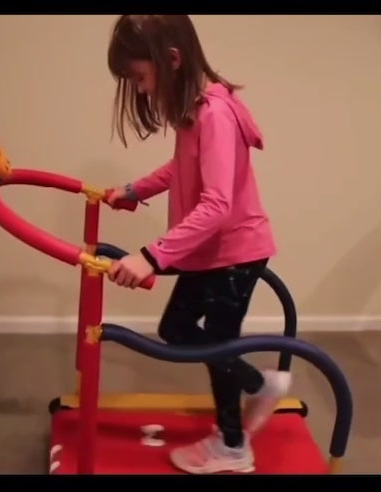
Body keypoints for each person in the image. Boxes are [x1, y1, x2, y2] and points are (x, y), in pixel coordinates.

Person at [102, 15, 292, 474]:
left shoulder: (215, 115)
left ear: (171, 60)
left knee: (218, 347)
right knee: (178, 328)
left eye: (141, 78)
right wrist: (135, 190)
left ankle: (233, 445)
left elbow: (218, 205)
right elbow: (182, 167)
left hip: (235, 253)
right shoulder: (195, 111)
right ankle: (256, 388)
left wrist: (150, 257)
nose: (142, 90)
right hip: (209, 251)